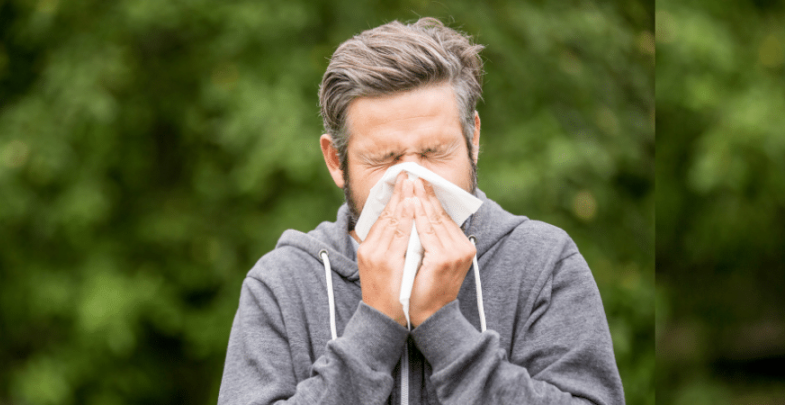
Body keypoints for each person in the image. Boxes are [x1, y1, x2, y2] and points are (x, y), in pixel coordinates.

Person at [217, 17, 624, 405]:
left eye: (433, 152)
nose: (413, 181)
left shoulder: (543, 263)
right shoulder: (282, 282)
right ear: (336, 162)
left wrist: (443, 326)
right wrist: (374, 325)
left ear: (473, 138)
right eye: (384, 158)